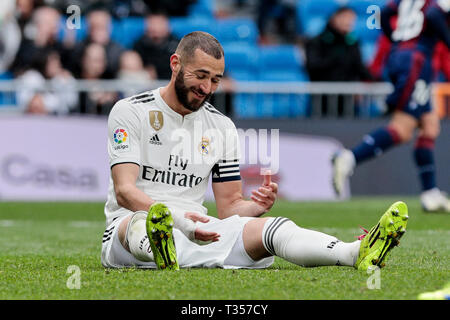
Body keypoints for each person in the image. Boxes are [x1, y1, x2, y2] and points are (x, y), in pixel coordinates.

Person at [101, 31, 408, 271]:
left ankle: (353, 252)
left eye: (216, 80)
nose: (207, 88)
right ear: (175, 64)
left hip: (199, 231)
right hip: (129, 236)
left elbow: (229, 207)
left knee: (272, 229)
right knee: (138, 224)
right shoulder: (131, 111)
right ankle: (163, 245)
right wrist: (181, 222)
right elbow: (125, 192)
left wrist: (254, 207)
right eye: (201, 75)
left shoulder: (221, 127)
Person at [332, 0, 450, 212]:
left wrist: (396, 40)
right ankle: (349, 158)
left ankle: (430, 193)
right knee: (402, 129)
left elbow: (385, 12)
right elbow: (433, 15)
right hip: (417, 61)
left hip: (402, 56)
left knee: (430, 125)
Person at [132, 12, 179, 80]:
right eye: (152, 23)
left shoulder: (178, 45)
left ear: (168, 26)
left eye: (159, 24)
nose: (155, 28)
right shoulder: (140, 44)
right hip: (146, 84)